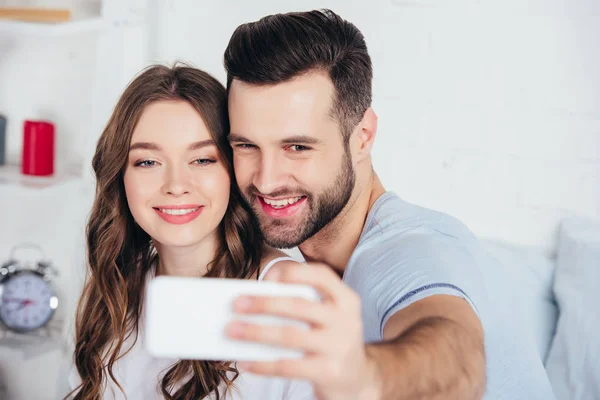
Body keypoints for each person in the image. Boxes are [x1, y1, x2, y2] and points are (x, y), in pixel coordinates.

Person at [222, 9, 556, 400]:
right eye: (246, 145)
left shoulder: (410, 247)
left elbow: (455, 357)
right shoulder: (304, 263)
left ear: (362, 136)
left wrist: (366, 377)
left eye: (297, 147)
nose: (266, 179)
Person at [66, 64, 314, 400]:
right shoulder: (111, 296)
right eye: (148, 162)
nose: (176, 186)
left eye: (202, 160)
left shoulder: (289, 298)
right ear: (120, 177)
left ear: (232, 169)